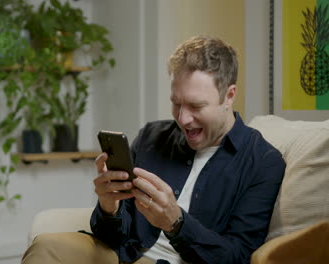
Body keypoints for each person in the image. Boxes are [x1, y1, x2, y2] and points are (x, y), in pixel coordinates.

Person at [22, 35, 286, 264]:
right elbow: (112, 237)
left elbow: (238, 257)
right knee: (47, 246)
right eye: (176, 103)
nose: (183, 119)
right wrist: (108, 206)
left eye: (196, 106)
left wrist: (176, 223)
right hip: (122, 256)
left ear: (229, 95)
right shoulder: (152, 136)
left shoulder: (263, 162)